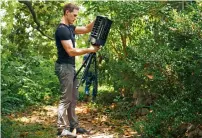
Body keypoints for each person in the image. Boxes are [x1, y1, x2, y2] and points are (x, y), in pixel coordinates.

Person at [54, 3, 100, 137]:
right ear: (67, 12)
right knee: (66, 99)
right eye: (74, 15)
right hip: (64, 67)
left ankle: (74, 126)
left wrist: (97, 20)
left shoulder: (69, 28)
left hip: (71, 67)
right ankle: (61, 129)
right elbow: (70, 51)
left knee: (73, 98)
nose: (75, 18)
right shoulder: (62, 29)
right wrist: (90, 49)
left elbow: (86, 29)